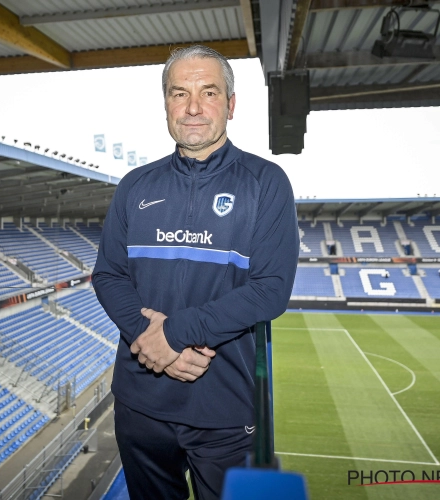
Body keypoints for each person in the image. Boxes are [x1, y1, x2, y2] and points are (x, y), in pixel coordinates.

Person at [92, 45, 299, 500]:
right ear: (165, 104)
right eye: (178, 93)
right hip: (140, 403)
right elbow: (107, 275)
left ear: (231, 103)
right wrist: (152, 339)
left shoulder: (266, 183)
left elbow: (271, 291)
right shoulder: (135, 185)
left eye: (208, 92)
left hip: (224, 409)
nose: (192, 107)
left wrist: (176, 334)